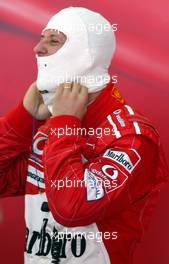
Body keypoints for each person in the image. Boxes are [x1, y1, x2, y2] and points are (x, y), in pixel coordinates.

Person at [0, 6, 168, 264]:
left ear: (85, 56)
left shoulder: (133, 137)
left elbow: (71, 209)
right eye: (41, 38)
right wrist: (24, 116)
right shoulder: (51, 127)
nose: (37, 48)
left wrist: (66, 124)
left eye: (53, 40)